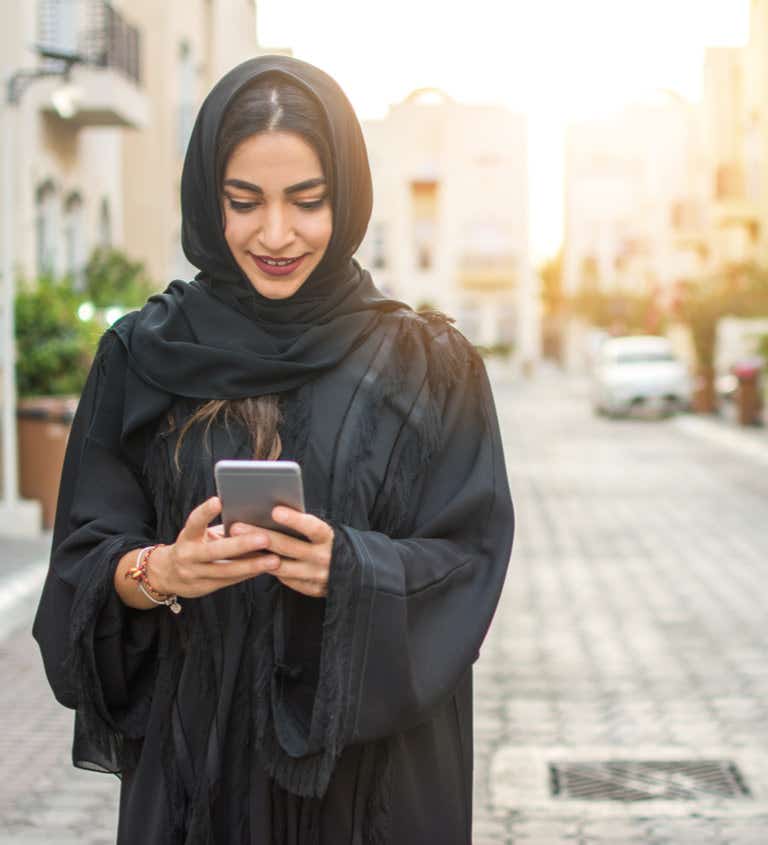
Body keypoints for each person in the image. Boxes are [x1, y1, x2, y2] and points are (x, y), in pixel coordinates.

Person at [33, 55, 514, 845]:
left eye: (308, 201)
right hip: (199, 782)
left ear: (347, 197)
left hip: (370, 790)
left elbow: (470, 559)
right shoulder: (142, 357)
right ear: (208, 200)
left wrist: (352, 569)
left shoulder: (429, 366)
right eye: (244, 202)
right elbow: (82, 559)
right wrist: (158, 573)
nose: (277, 234)